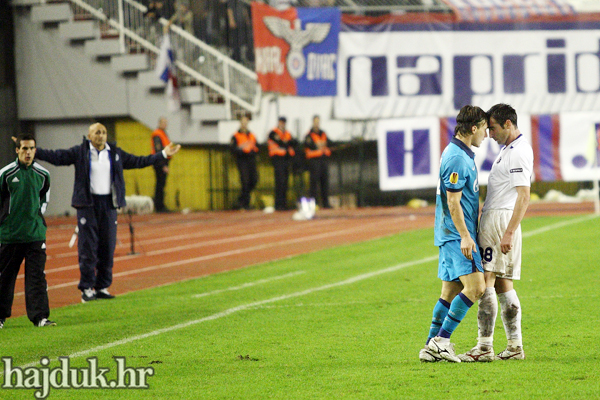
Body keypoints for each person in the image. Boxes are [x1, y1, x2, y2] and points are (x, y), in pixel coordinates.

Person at [33, 123, 181, 303]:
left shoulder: (115, 153)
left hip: (109, 204)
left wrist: (163, 155)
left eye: (103, 132)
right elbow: (56, 157)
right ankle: (87, 288)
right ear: (89, 135)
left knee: (107, 246)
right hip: (88, 204)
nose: (101, 135)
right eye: (97, 132)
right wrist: (35, 151)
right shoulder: (80, 152)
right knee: (88, 248)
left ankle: (102, 286)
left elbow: (139, 161)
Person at [458, 104, 533, 362]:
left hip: (500, 220)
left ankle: (484, 346)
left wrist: (509, 232)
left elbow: (524, 196)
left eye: (493, 127)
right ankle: (514, 347)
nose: (489, 133)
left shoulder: (518, 153)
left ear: (508, 124)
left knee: (486, 279)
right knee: (502, 283)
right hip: (499, 219)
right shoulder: (509, 150)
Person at [419, 105, 488, 363]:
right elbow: (452, 202)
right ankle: (442, 341)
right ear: (472, 129)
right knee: (476, 287)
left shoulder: (458, 152)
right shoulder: (457, 157)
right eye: (483, 129)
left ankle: (430, 345)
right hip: (456, 234)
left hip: (448, 233)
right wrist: (465, 236)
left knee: (450, 291)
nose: (486, 134)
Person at [0, 134, 56, 328]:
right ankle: (0, 317)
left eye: (31, 148)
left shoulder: (43, 174)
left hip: (35, 234)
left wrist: (36, 218)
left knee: (37, 277)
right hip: (10, 235)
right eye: (24, 148)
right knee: (4, 278)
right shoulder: (5, 174)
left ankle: (40, 317)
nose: (28, 152)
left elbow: (44, 200)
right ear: (17, 150)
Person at [268, 117, 296, 211]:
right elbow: (281, 143)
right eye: (281, 122)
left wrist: (285, 143)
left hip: (286, 159)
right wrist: (286, 143)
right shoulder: (273, 132)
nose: (282, 124)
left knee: (285, 182)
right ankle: (278, 204)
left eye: (284, 122)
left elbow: (293, 142)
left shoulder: (287, 133)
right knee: (279, 182)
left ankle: (283, 204)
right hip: (277, 159)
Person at [231, 116, 259, 210]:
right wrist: (242, 152)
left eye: (246, 122)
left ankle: (242, 199)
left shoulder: (251, 135)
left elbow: (256, 146)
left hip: (251, 159)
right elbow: (233, 149)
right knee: (245, 181)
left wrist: (253, 152)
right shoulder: (235, 135)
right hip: (242, 160)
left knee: (254, 180)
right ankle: (245, 203)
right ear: (240, 123)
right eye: (243, 122)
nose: (244, 124)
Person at [303, 115, 331, 209]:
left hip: (323, 160)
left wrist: (320, 145)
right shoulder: (309, 135)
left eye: (318, 122)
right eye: (315, 122)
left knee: (324, 182)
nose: (317, 124)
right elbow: (309, 145)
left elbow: (329, 142)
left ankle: (325, 203)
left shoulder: (323, 133)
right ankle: (313, 203)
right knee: (314, 183)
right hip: (314, 161)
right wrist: (318, 145)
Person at [151, 117, 172, 213]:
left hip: (162, 161)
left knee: (161, 184)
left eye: (166, 122)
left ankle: (160, 205)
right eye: (163, 122)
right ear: (159, 123)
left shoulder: (163, 134)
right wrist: (163, 165)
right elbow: (158, 150)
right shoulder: (157, 134)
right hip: (159, 162)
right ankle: (159, 206)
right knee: (160, 184)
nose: (165, 124)